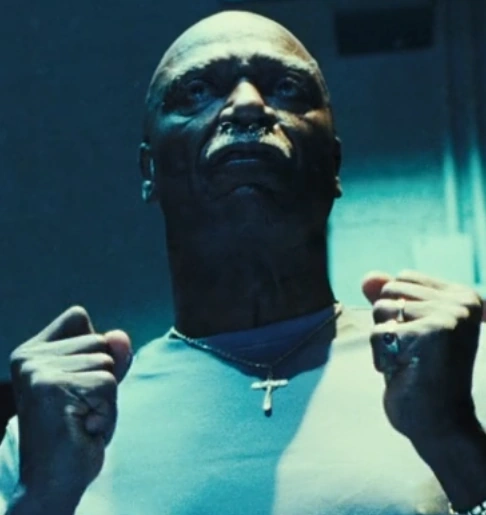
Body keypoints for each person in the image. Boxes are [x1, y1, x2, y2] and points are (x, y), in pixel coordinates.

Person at [2, 10, 486, 515]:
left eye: (287, 88)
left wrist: (455, 439)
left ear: (334, 164)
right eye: (196, 91)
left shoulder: (467, 374)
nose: (249, 105)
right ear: (150, 170)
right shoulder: (54, 429)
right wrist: (43, 496)